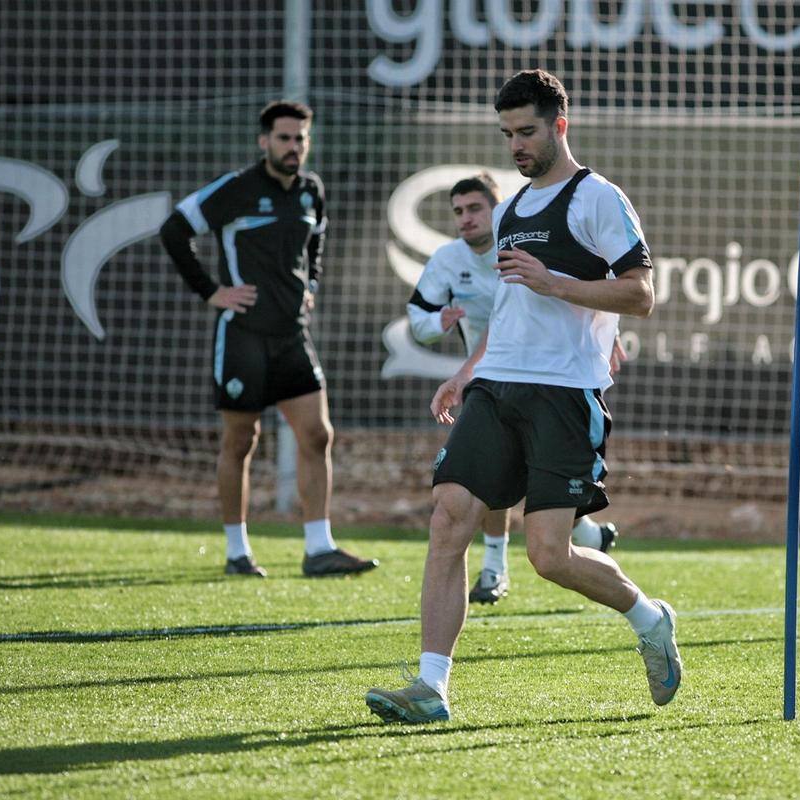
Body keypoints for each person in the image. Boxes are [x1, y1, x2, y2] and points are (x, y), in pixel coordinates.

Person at [366, 70, 681, 724]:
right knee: (449, 517)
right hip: (496, 385)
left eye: (527, 131)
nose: (516, 145)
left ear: (560, 125)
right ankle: (430, 688)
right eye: (507, 134)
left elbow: (641, 294)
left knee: (547, 556)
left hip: (563, 395)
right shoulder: (510, 209)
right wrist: (466, 373)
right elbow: (510, 309)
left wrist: (558, 284)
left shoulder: (598, 198)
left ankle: (649, 619)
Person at [159, 99, 377, 579]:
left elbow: (316, 242)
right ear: (264, 141)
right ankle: (237, 552)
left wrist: (311, 284)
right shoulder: (237, 188)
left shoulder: (311, 191)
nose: (293, 146)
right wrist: (212, 292)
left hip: (292, 335)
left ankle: (319, 549)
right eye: (284, 138)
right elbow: (173, 229)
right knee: (241, 439)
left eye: (301, 138)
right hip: (243, 337)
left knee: (317, 434)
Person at [407, 171, 621, 605]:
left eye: (475, 208)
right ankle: (494, 568)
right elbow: (418, 320)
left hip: (551, 380)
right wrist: (438, 325)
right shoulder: (448, 259)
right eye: (458, 211)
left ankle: (587, 538)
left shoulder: (526, 240)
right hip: (489, 378)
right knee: (480, 483)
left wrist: (607, 329)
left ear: (498, 210)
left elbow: (605, 289)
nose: (466, 219)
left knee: (540, 502)